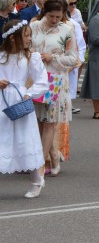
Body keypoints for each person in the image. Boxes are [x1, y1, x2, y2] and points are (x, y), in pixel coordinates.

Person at [30, 0, 80, 176]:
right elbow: (25, 48)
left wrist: (54, 57)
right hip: (35, 80)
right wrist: (32, 55)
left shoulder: (67, 30)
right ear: (45, 11)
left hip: (56, 81)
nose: (54, 20)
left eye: (58, 17)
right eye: (51, 16)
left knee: (50, 123)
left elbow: (74, 59)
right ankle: (54, 155)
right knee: (38, 123)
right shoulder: (33, 26)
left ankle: (40, 164)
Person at [0, 20, 49, 198]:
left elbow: (42, 81)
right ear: (13, 38)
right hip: (2, 101)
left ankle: (37, 180)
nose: (29, 39)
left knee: (25, 139)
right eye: (26, 35)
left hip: (20, 101)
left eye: (30, 35)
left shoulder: (30, 57)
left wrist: (29, 94)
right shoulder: (1, 56)